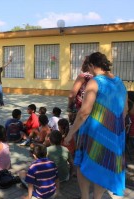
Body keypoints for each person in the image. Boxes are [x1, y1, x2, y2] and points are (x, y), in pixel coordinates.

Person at [64, 52, 128, 198]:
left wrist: (70, 134)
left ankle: (85, 196)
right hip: (114, 135)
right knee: (103, 166)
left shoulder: (95, 82)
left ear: (93, 65)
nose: (89, 71)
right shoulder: (119, 82)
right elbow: (124, 111)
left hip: (92, 133)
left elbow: (84, 112)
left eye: (90, 68)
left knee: (82, 163)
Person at [67, 56, 93, 124]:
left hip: (81, 108)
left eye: (83, 62)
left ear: (86, 64)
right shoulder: (98, 77)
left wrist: (70, 108)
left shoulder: (83, 76)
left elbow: (71, 95)